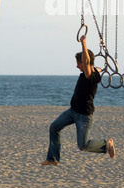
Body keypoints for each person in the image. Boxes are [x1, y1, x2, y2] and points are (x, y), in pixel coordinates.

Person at [41, 35, 115, 166]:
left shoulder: (90, 76)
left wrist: (84, 43)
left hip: (84, 116)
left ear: (85, 63)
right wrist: (98, 68)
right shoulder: (93, 72)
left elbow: (87, 63)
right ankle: (53, 158)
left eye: (79, 63)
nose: (77, 66)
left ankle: (107, 144)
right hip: (72, 111)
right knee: (54, 127)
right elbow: (93, 66)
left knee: (83, 146)